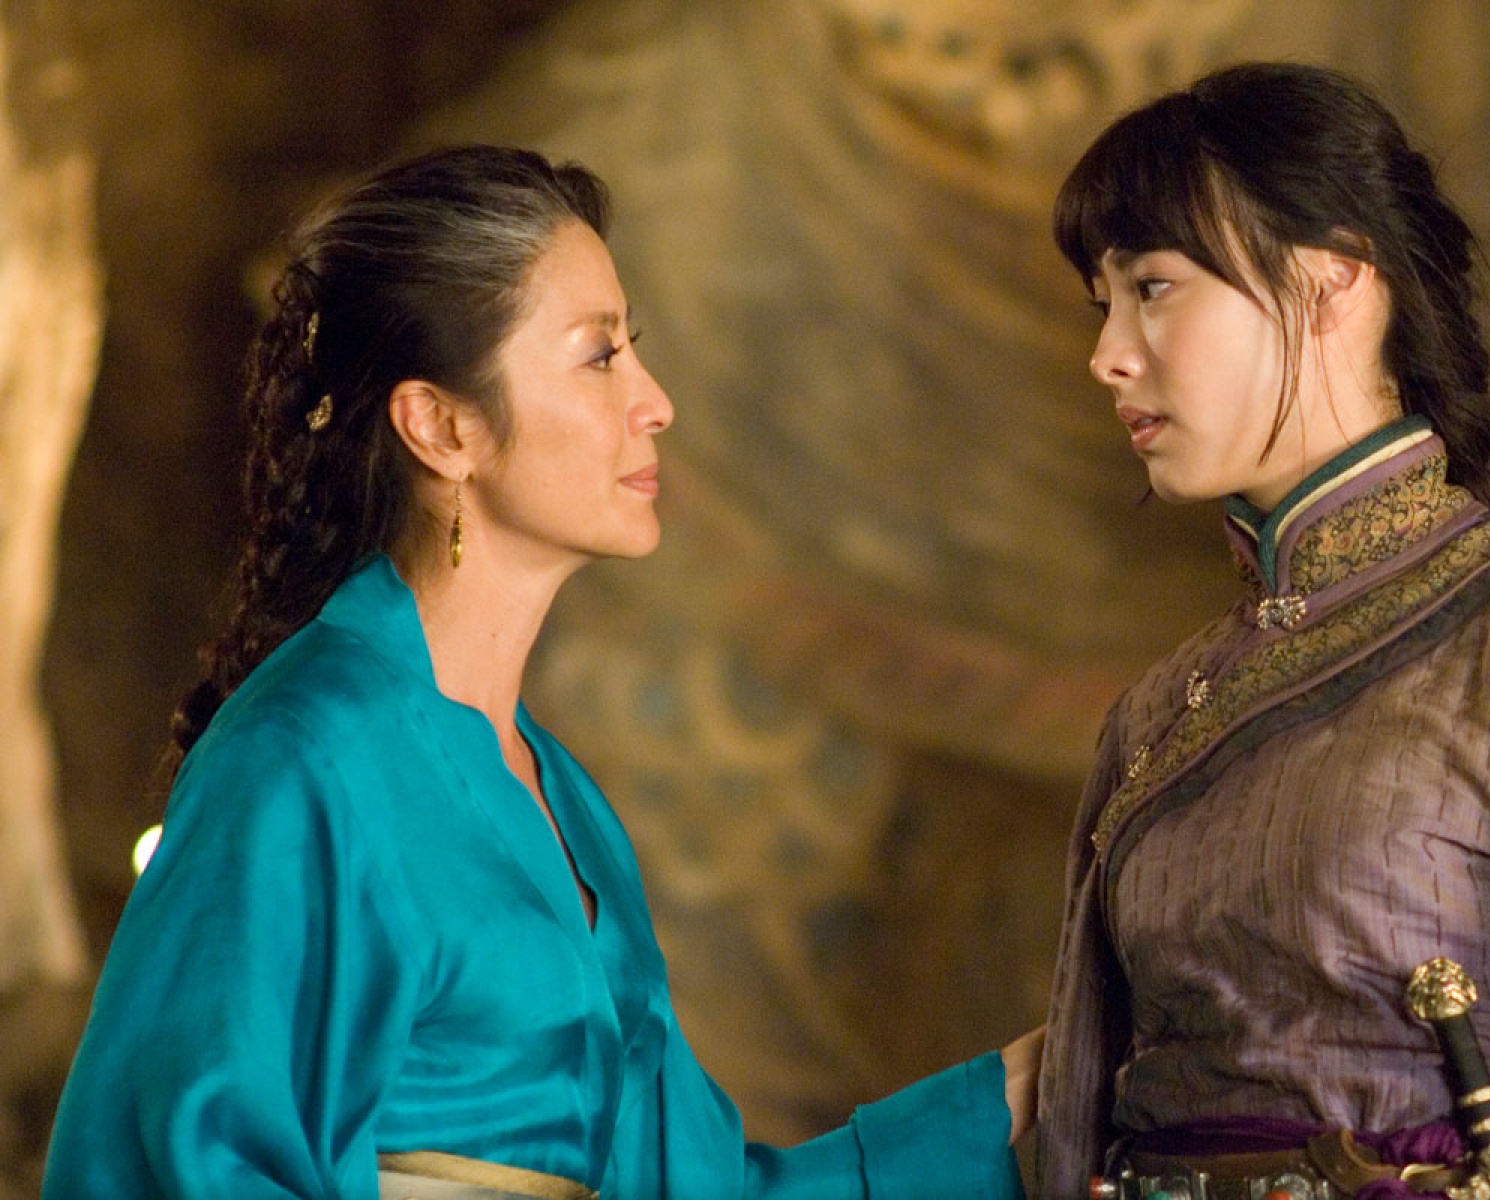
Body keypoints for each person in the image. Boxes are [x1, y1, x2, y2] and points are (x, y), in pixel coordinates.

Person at [45, 144, 1040, 1200]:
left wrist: (1022, 1093)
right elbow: (187, 1163)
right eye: (600, 356)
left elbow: (699, 1191)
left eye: (634, 350)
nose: (654, 403)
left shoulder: (562, 797)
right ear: (442, 426)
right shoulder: (304, 752)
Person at [1033, 63, 1490, 1200]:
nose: (1109, 354)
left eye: (1154, 288)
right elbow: (1075, 1138)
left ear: (1334, 282)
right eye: (1104, 305)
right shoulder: (1154, 714)